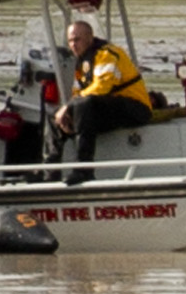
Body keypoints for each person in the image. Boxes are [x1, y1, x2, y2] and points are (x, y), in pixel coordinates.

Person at [46, 19, 154, 184]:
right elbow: (77, 93)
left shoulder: (107, 54)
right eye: (70, 41)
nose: (73, 45)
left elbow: (101, 88)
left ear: (90, 38)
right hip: (107, 109)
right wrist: (66, 113)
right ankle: (51, 172)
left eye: (77, 39)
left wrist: (68, 107)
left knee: (83, 105)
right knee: (55, 115)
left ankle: (84, 169)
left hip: (136, 108)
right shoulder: (82, 63)